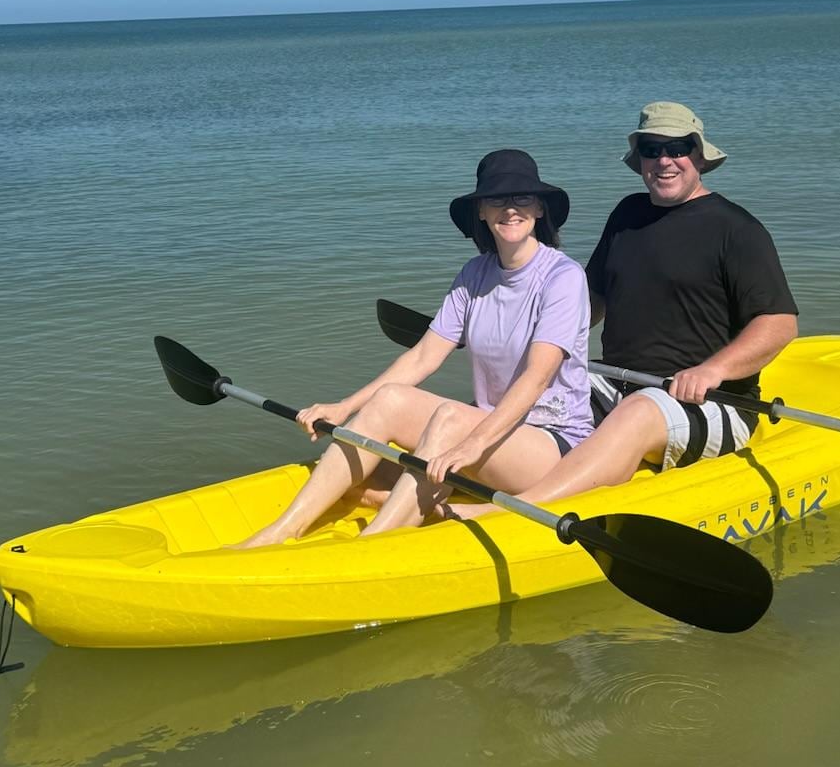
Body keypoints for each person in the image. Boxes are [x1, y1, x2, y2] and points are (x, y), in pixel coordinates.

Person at [235, 149, 594, 546]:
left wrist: (471, 444)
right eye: (497, 199)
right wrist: (344, 407)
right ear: (480, 212)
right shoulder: (474, 274)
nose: (510, 209)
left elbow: (537, 377)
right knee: (390, 398)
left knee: (452, 420)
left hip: (553, 446)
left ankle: (374, 543)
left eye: (522, 198)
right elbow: (423, 356)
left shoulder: (563, 276)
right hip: (490, 433)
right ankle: (284, 529)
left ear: (540, 210)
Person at [470, 101, 798, 508]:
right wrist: (520, 338)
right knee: (519, 389)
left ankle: (511, 509)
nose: (665, 160)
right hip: (616, 382)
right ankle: (438, 476)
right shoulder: (627, 214)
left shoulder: (737, 229)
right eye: (651, 150)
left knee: (638, 413)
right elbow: (587, 303)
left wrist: (712, 370)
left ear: (698, 154)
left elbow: (779, 324)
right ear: (640, 159)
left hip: (712, 403)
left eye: (677, 148)